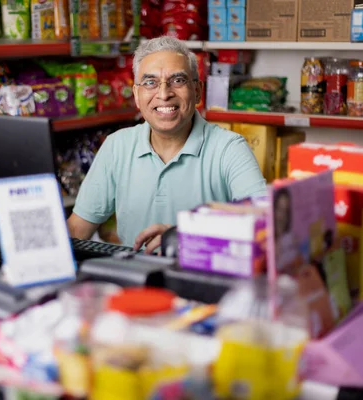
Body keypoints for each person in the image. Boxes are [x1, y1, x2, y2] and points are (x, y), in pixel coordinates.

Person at [67, 36, 267, 253]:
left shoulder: (229, 148)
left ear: (198, 91)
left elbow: (264, 224)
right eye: (150, 83)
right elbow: (78, 229)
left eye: (178, 80)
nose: (164, 94)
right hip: (135, 280)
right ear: (136, 95)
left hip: (203, 278)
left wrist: (186, 236)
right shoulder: (117, 146)